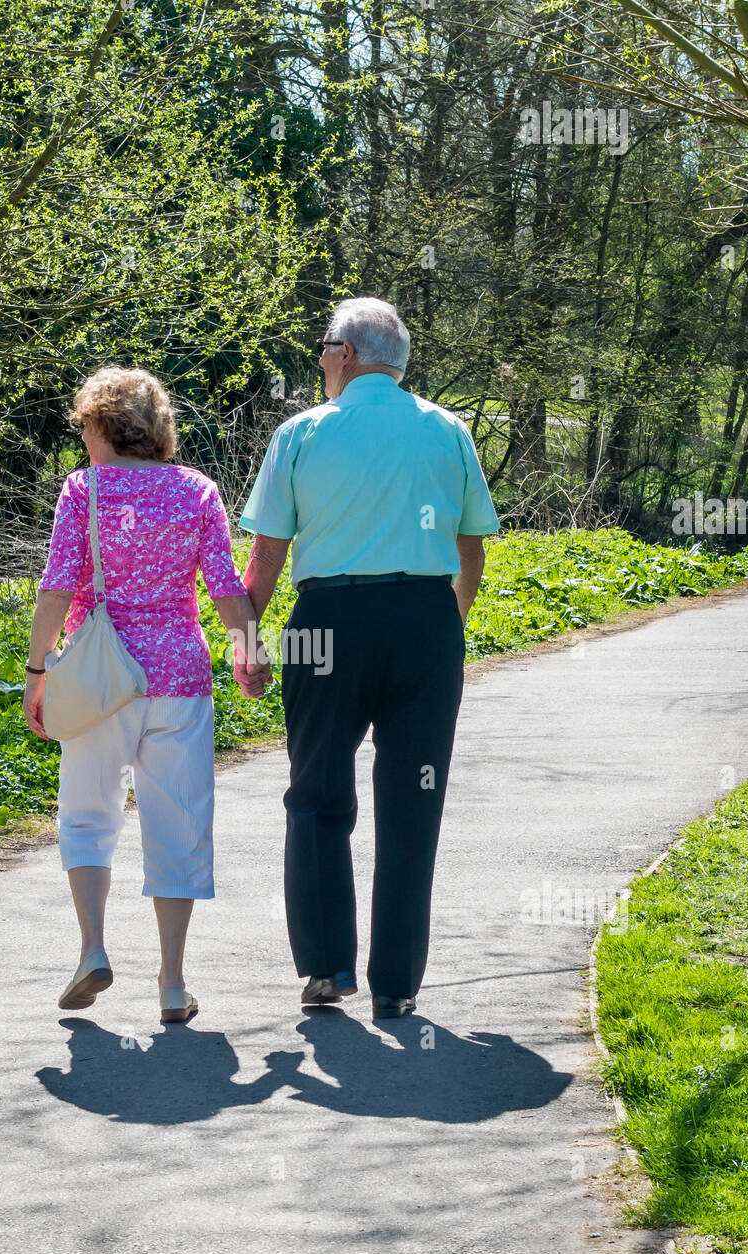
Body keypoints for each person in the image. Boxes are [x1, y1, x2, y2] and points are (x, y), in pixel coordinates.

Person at [237, 297, 500, 1019]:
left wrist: (245, 637)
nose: (320, 358)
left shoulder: (302, 433)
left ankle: (326, 969)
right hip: (425, 620)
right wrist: (443, 627)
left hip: (329, 621)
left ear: (347, 354)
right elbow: (468, 550)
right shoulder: (448, 431)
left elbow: (265, 554)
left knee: (317, 794)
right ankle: (397, 983)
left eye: (324, 347)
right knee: (414, 800)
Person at [23, 366, 265, 1024]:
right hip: (179, 680)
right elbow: (221, 585)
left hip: (100, 682)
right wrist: (250, 648)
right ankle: (171, 981)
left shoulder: (84, 491)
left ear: (101, 426)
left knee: (87, 816)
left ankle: (93, 948)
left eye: (85, 427)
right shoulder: (197, 491)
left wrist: (37, 670)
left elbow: (55, 585)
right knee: (177, 826)